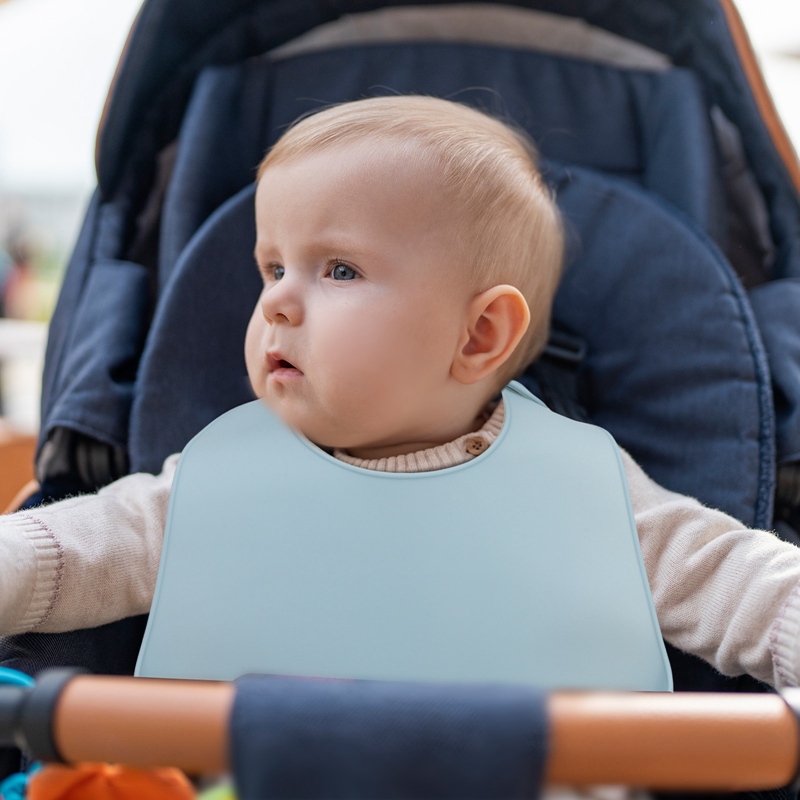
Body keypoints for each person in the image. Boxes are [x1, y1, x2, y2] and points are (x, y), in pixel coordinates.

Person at [1, 95, 799, 688]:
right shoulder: (210, 487)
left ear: (478, 336)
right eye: (272, 268)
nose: (277, 302)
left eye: (339, 269)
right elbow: (63, 556)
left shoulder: (589, 494)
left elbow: (743, 587)